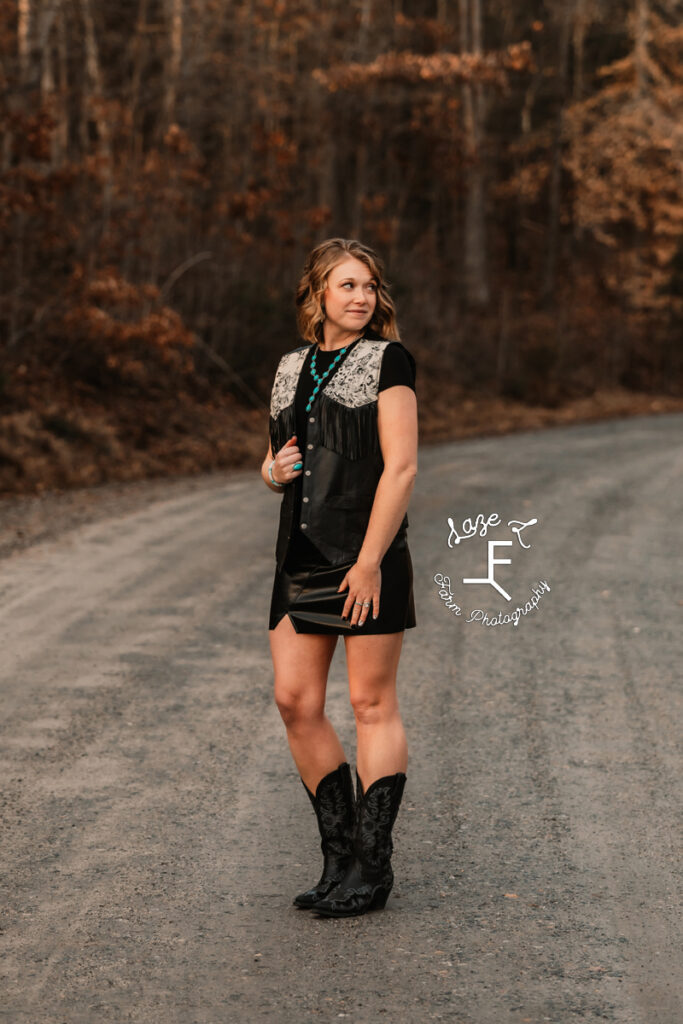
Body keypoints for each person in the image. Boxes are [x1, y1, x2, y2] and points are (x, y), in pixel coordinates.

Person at [262, 237, 418, 918]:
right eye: (346, 285)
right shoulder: (291, 365)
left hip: (366, 558)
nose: (360, 297)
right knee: (295, 701)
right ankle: (337, 855)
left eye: (368, 286)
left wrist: (368, 562)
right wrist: (270, 472)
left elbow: (401, 467)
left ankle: (371, 867)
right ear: (317, 294)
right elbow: (276, 460)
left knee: (369, 704)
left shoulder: (389, 361)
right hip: (298, 561)